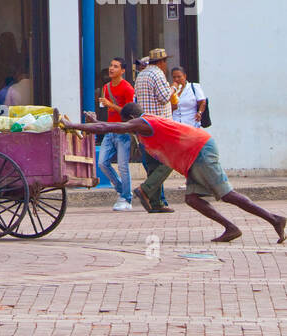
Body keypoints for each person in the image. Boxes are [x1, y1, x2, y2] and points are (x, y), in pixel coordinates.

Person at [73, 104, 286, 244]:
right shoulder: (145, 126)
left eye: (129, 123)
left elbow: (113, 126)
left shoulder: (143, 122)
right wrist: (94, 124)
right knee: (192, 198)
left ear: (131, 117)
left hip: (199, 149)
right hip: (193, 154)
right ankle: (231, 227)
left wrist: (74, 125)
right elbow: (113, 127)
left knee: (227, 194)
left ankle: (274, 219)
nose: (130, 128)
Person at [133, 47, 178, 212]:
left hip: (145, 123)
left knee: (153, 164)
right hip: (160, 125)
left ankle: (155, 202)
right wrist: (173, 87)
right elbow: (164, 97)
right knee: (171, 159)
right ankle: (145, 189)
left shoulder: (141, 75)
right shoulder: (157, 74)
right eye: (165, 61)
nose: (166, 65)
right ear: (161, 62)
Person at [96, 57, 135, 210]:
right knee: (102, 163)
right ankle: (122, 189)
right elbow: (105, 107)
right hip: (110, 129)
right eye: (111, 65)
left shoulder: (127, 88)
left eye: (116, 66)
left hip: (123, 131)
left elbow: (130, 112)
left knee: (123, 166)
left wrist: (112, 105)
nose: (111, 69)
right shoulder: (106, 87)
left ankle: (126, 198)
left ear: (123, 71)